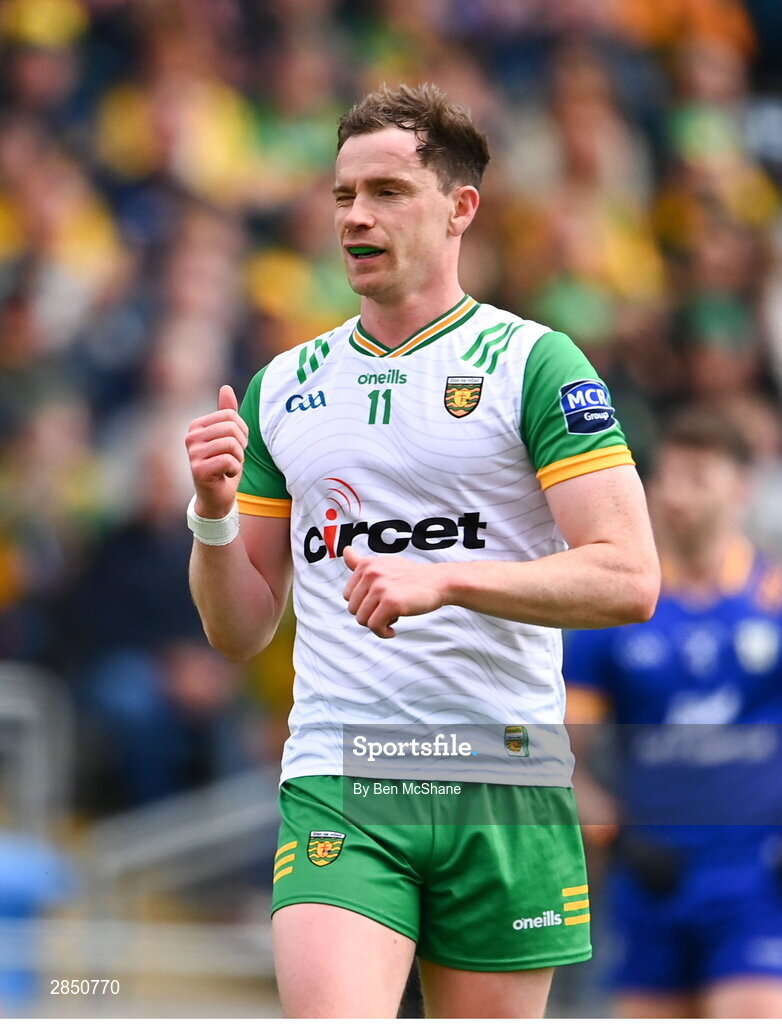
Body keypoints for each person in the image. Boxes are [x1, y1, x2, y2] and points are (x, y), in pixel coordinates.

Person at [185, 82, 660, 1019]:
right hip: (345, 771)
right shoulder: (285, 384)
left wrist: (447, 578)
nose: (356, 215)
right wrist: (211, 516)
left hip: (506, 774)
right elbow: (240, 630)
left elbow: (629, 576)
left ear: (460, 208)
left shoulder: (535, 363)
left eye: (388, 192)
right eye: (342, 195)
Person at [565, 406, 782, 1019]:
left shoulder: (777, 601)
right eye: (668, 476)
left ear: (740, 486)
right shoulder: (616, 613)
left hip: (758, 884)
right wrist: (613, 832)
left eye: (698, 476)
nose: (677, 494)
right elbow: (554, 758)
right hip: (652, 882)